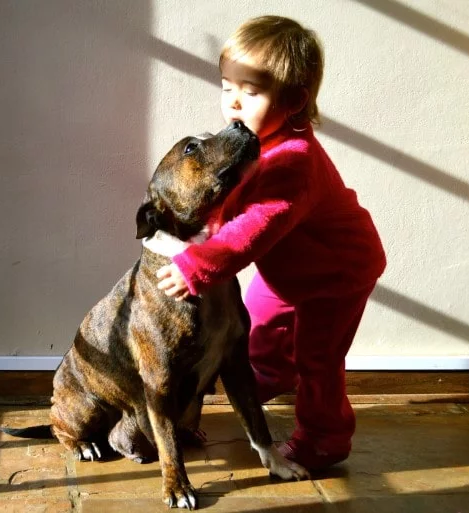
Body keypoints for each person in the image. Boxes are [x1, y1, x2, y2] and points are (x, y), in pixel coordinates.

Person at [154, 15, 387, 471]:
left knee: (319, 359)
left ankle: (325, 437)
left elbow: (256, 226)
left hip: (338, 273)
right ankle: (270, 378)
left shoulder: (293, 161)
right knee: (257, 334)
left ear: (295, 101)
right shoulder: (258, 143)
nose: (234, 103)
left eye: (252, 91)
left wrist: (199, 265)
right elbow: (229, 202)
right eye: (227, 87)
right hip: (290, 270)